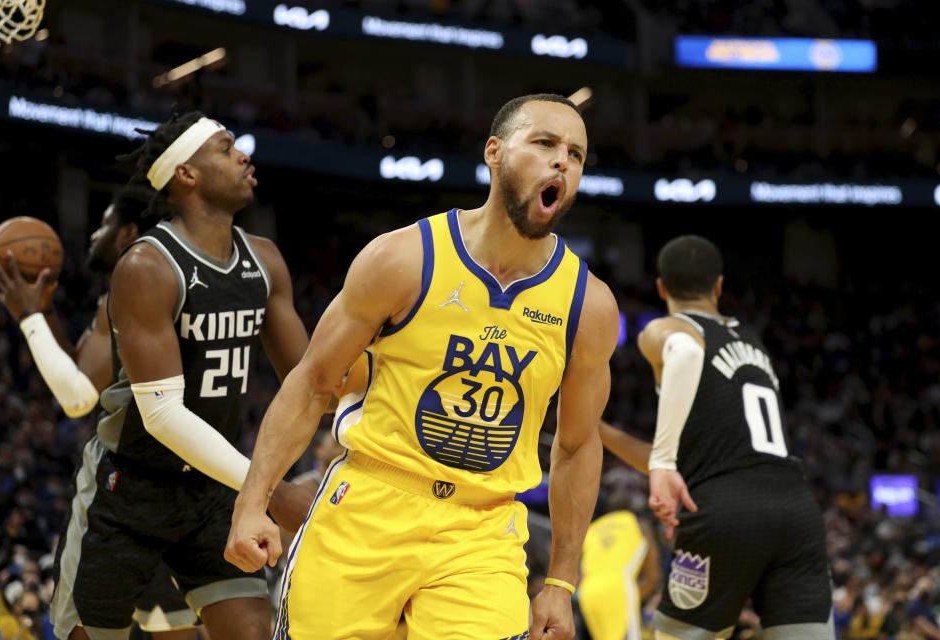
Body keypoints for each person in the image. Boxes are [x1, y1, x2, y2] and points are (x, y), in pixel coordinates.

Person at [225, 93, 621, 640]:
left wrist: (561, 580)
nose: (563, 162)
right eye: (546, 143)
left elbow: (577, 445)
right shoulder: (403, 257)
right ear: (495, 152)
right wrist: (252, 502)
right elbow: (314, 383)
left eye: (576, 155)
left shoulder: (589, 305)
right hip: (369, 506)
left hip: (482, 531)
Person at [43, 111, 316, 640]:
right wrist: (269, 489)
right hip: (128, 490)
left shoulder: (264, 261)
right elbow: (164, 415)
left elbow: (310, 381)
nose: (244, 155)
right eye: (225, 147)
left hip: (213, 488)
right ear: (186, 174)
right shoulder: (148, 265)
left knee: (256, 632)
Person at [0, 186, 208, 640]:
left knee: (77, 627)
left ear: (127, 232)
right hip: (182, 490)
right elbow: (86, 368)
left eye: (103, 224)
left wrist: (28, 316)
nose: (92, 236)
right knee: (174, 626)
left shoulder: (128, 295)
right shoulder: (175, 288)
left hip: (123, 489)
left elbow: (78, 396)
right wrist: (45, 311)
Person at [632, 235, 832, 639]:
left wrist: (662, 462)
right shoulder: (752, 339)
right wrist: (599, 433)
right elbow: (702, 455)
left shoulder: (668, 327)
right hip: (796, 509)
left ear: (661, 288)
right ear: (719, 286)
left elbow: (685, 353)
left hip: (725, 510)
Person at [578, 503, 661, 640]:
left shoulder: (593, 527)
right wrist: (635, 597)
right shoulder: (638, 523)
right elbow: (653, 575)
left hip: (587, 591)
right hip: (619, 586)